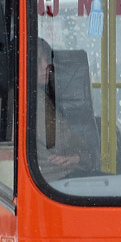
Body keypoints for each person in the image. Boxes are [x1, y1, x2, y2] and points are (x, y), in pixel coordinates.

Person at [34, 38, 99, 181]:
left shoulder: (41, 96)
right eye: (38, 61)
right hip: (58, 178)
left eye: (47, 59)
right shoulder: (35, 100)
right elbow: (60, 144)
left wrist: (79, 156)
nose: (47, 66)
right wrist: (81, 156)